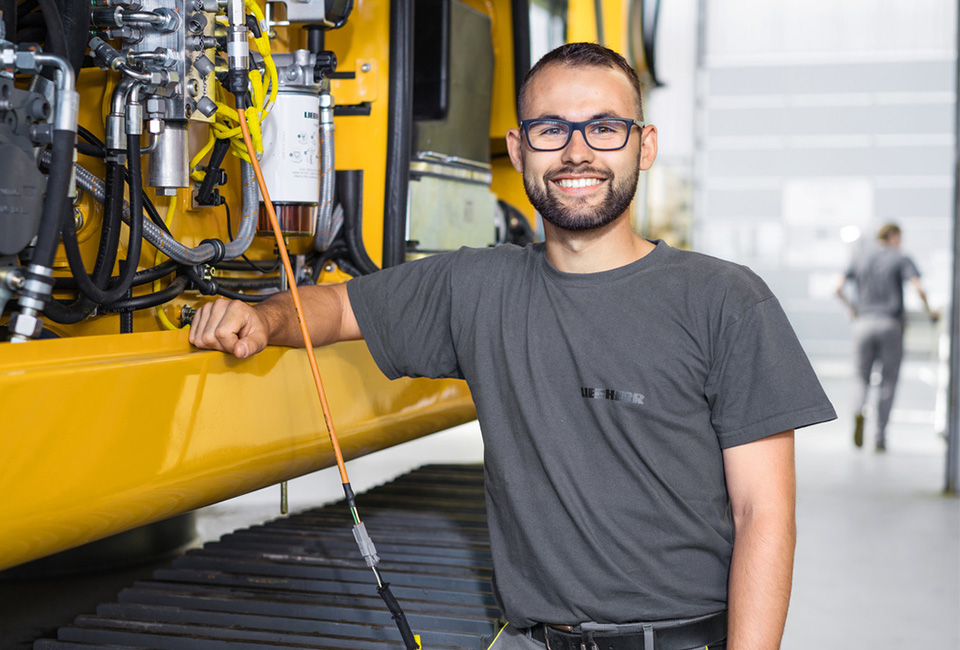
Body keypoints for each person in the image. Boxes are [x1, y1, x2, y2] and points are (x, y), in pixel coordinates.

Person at [190, 43, 836, 650]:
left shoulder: (724, 300)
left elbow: (764, 514)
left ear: (645, 147)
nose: (577, 151)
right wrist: (261, 319)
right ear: (518, 147)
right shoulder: (477, 285)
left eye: (605, 127)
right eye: (551, 129)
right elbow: (333, 307)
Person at [835, 223, 938, 452]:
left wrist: (852, 307)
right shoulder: (900, 258)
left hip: (862, 324)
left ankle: (858, 411)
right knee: (887, 381)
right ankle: (880, 437)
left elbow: (837, 287)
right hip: (890, 325)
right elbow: (918, 288)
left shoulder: (862, 258)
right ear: (893, 236)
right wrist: (930, 310)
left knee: (860, 377)